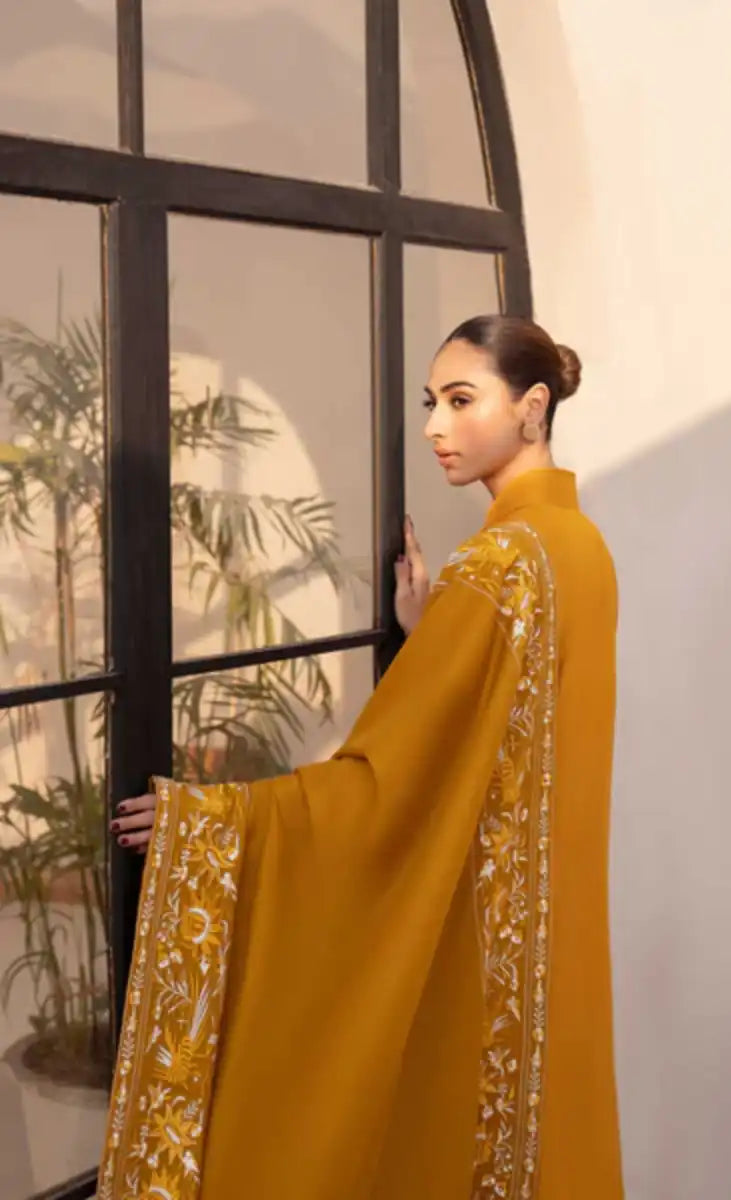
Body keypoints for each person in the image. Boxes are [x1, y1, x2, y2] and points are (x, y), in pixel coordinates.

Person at [100, 316, 623, 1200]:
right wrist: (434, 631)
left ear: (533, 408)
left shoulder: (498, 565)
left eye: (462, 400)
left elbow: (390, 782)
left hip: (481, 952)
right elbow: (503, 728)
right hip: (548, 944)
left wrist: (222, 818)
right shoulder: (582, 549)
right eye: (431, 402)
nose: (435, 426)